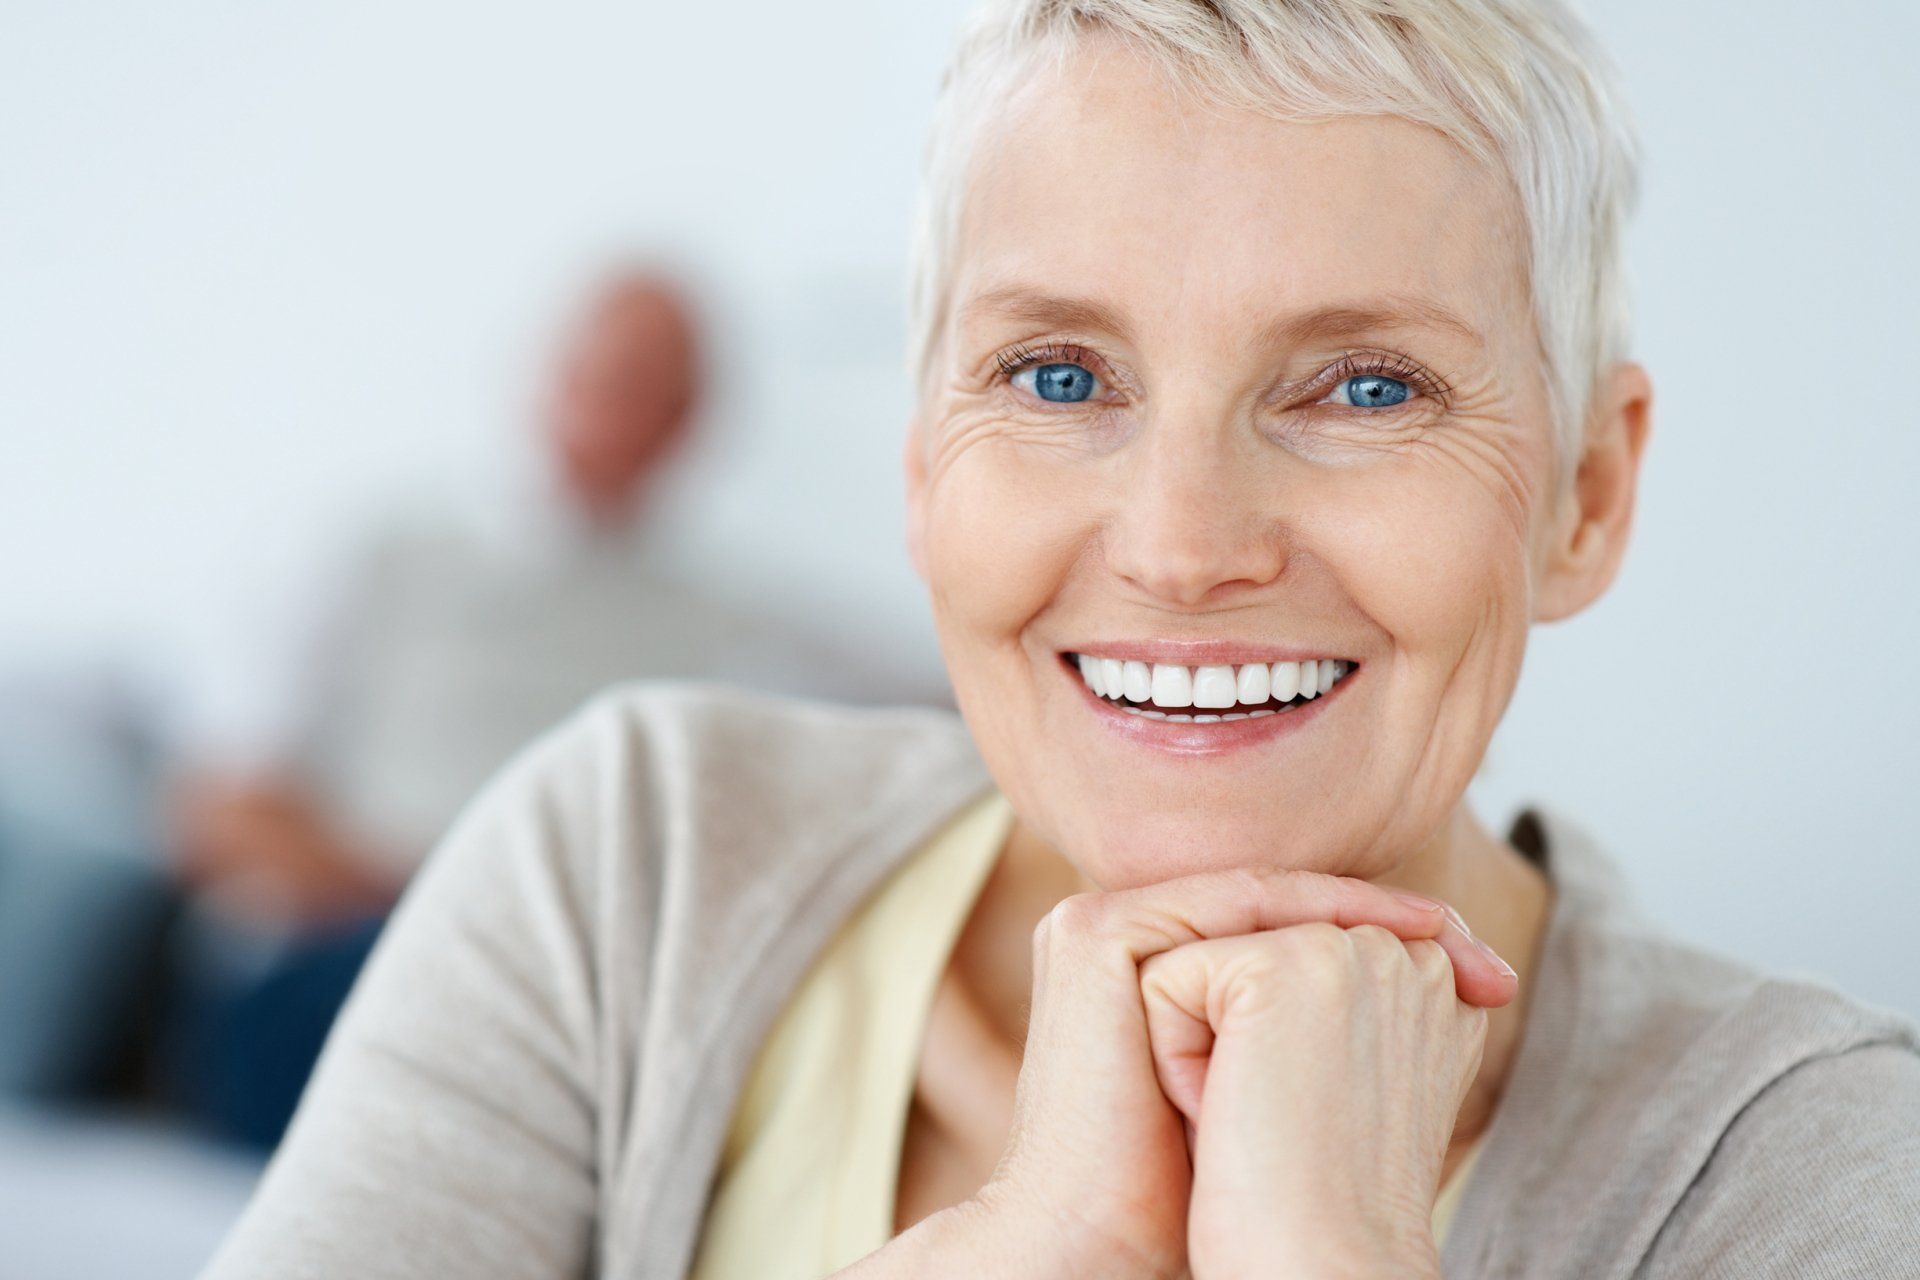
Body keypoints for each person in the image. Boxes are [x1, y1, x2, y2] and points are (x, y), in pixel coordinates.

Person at [202, 1, 1920, 1276]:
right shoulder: (636, 863)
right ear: (926, 464)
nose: (1181, 550)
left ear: (1588, 497)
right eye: (1059, 378)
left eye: (1368, 385)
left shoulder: (1803, 1167)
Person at [162, 268, 929, 1147]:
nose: (626, 413)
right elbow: (219, 811)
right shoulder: (382, 549)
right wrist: (455, 900)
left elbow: (933, 689)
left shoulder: (723, 610)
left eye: (661, 393)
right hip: (368, 952)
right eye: (609, 377)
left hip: (588, 980)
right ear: (548, 373)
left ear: (695, 423)